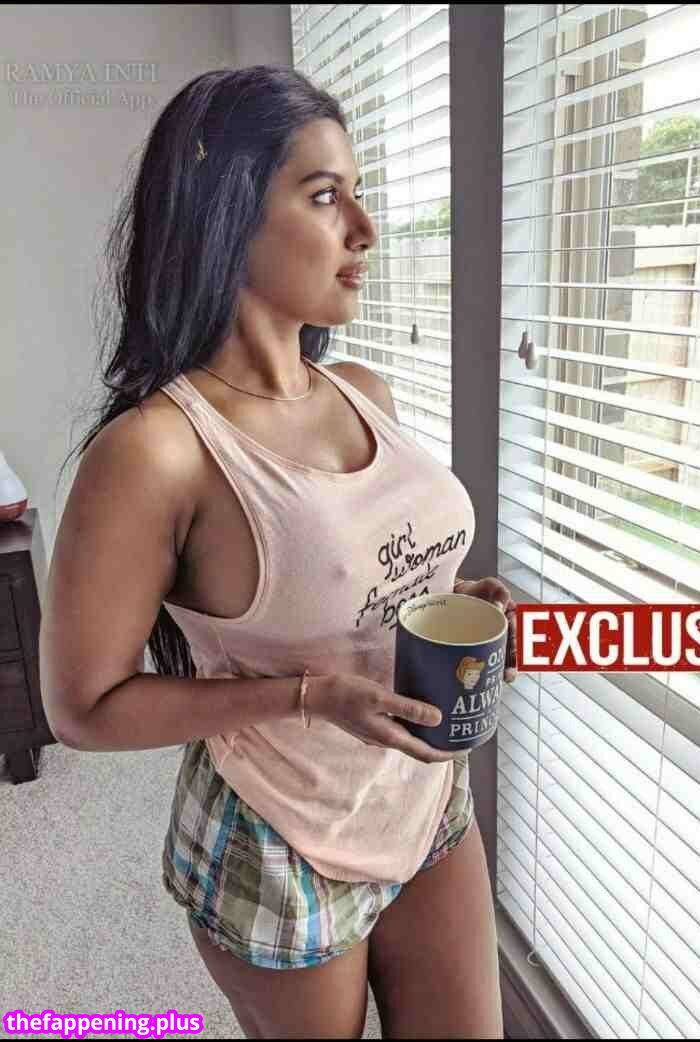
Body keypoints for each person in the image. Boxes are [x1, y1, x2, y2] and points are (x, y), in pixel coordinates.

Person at [40, 65, 509, 1039]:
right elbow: (82, 707)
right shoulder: (155, 453)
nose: (365, 230)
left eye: (357, 194)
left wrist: (452, 596)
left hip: (424, 799)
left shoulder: (365, 392)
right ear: (226, 213)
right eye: (326, 195)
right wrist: (305, 696)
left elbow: (348, 582)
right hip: (277, 836)